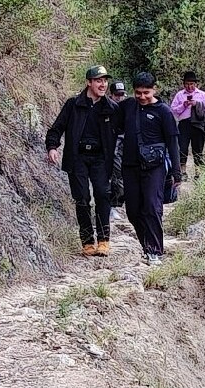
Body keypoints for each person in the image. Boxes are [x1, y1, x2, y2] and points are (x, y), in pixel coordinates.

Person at [45, 65, 118, 257]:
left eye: (105, 81)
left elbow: (124, 131)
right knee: (82, 199)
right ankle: (87, 242)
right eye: (99, 81)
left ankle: (104, 241)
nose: (103, 85)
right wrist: (52, 147)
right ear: (89, 82)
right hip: (77, 157)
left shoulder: (111, 108)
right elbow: (56, 128)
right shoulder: (73, 104)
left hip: (101, 158)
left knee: (102, 194)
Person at [114, 72, 181, 265]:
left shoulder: (163, 112)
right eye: (138, 93)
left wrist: (176, 172)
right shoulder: (127, 106)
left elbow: (172, 142)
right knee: (133, 210)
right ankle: (146, 245)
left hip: (155, 167)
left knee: (152, 206)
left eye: (146, 93)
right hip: (130, 166)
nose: (142, 96)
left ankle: (155, 250)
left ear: (154, 90)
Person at [170, 70, 205, 180]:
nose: (189, 86)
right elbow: (173, 110)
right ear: (184, 84)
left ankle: (198, 173)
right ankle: (183, 172)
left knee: (198, 149)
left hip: (198, 125)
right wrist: (183, 105)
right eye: (187, 84)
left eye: (192, 84)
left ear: (196, 84)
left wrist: (197, 104)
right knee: (182, 148)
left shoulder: (202, 95)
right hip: (184, 125)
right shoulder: (180, 95)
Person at [108, 80, 127, 219]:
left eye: (121, 95)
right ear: (111, 95)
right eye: (117, 95)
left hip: (125, 146)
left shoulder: (129, 108)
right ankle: (111, 206)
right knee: (113, 177)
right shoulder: (106, 107)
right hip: (110, 147)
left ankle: (116, 205)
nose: (119, 98)